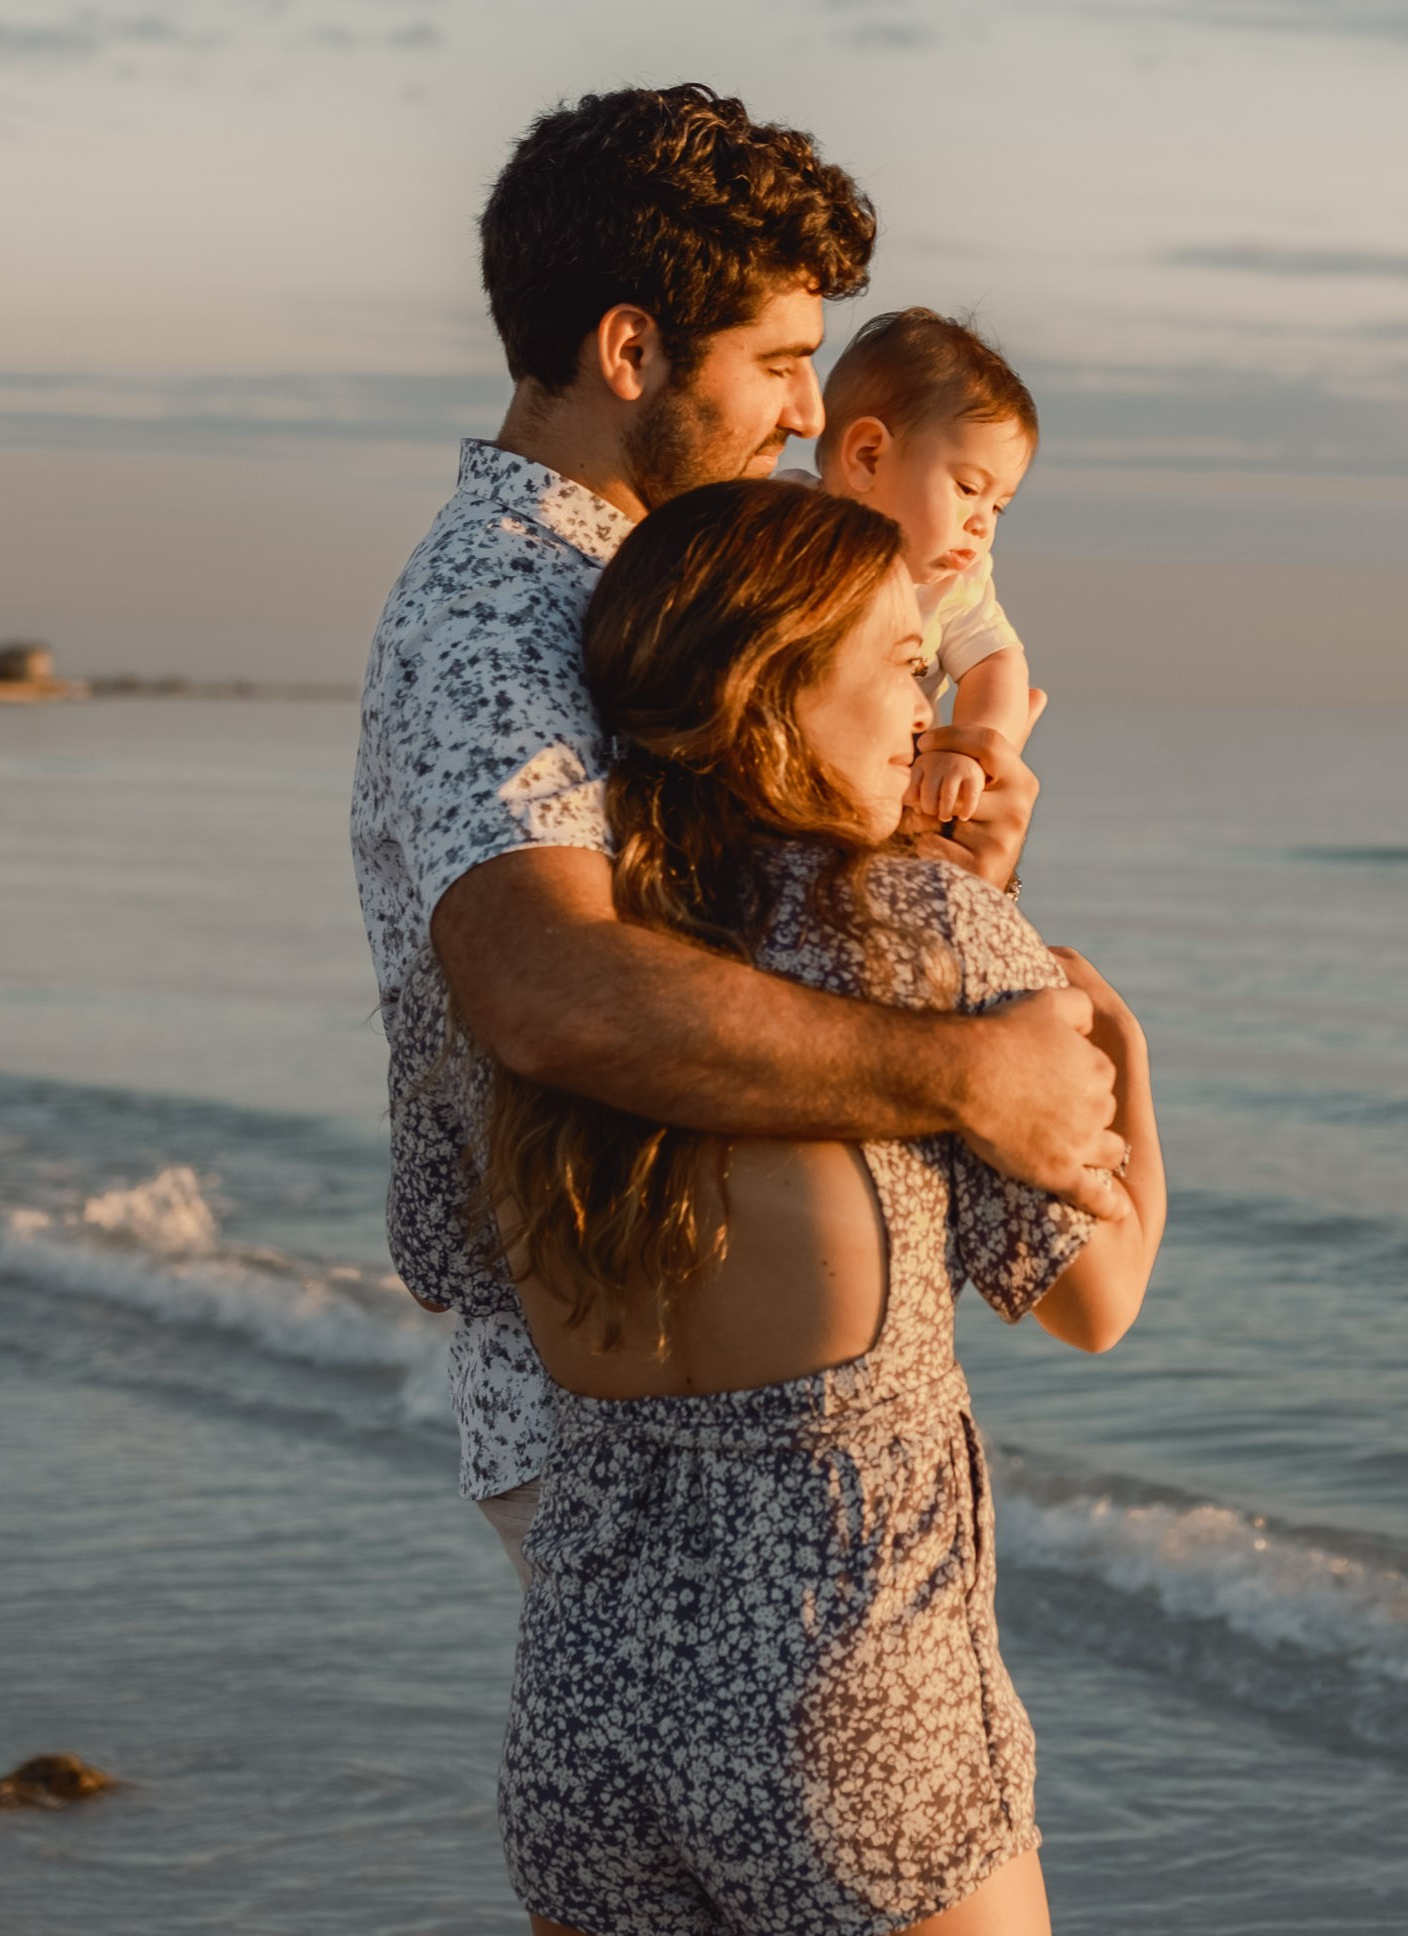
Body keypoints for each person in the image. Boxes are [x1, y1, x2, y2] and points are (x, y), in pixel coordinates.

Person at [349, 83, 1129, 1574]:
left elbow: (726, 910)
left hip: (742, 1400)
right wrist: (968, 1074)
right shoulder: (500, 609)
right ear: (628, 350)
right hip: (638, 1446)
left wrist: (935, 874)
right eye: (778, 362)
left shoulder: (649, 583)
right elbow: (543, 982)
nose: (810, 412)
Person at [486, 478, 1166, 1936]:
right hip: (844, 1707)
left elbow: (442, 1252)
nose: (928, 711)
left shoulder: (562, 958)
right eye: (902, 665)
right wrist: (1120, 1046)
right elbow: (1095, 1300)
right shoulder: (929, 929)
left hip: (585, 1703)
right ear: (773, 692)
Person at [816, 309, 1041, 832]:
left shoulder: (952, 587)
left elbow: (996, 663)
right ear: (869, 458)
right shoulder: (777, 533)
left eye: (998, 507)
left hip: (894, 797)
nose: (982, 524)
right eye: (968, 489)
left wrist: (968, 752)